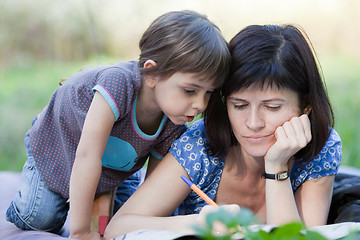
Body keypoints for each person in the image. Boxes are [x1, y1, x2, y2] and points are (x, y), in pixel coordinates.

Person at [6, 10, 231, 240]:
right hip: (61, 145)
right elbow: (86, 157)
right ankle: (37, 190)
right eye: (190, 90)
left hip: (109, 166)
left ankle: (103, 189)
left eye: (209, 93)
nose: (200, 104)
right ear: (152, 73)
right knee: (40, 218)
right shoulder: (118, 84)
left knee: (119, 225)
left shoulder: (174, 121)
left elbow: (152, 191)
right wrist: (81, 231)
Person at [103, 24, 342, 239]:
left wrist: (277, 168)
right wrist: (200, 223)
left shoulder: (322, 148)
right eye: (239, 105)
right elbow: (119, 226)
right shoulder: (200, 146)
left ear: (306, 105)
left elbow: (297, 239)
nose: (253, 123)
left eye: (272, 107)